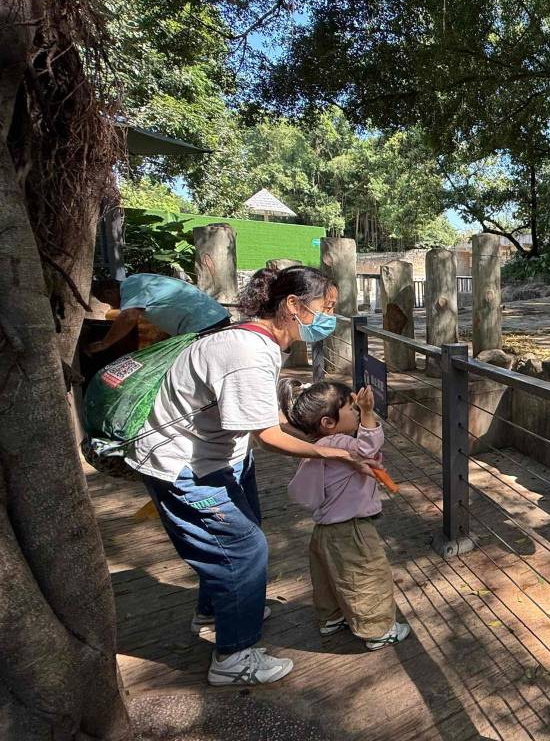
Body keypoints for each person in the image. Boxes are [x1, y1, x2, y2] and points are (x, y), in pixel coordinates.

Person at [126, 265, 376, 686]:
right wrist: (331, 454)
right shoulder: (248, 352)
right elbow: (268, 436)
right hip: (183, 463)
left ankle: (216, 610)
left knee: (235, 543)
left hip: (218, 456)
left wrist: (310, 437)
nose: (328, 318)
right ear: (293, 305)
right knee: (245, 550)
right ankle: (233, 656)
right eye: (325, 308)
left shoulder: (257, 341)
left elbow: (267, 413)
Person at [281, 379, 411, 651]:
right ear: (328, 422)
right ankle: (378, 631)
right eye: (351, 409)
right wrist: (367, 413)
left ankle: (331, 618)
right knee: (365, 577)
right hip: (351, 529)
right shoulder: (339, 443)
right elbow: (368, 447)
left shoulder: (317, 448)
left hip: (325, 529)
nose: (355, 412)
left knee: (328, 576)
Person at [88, 274, 231, 355]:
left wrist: (104, 343)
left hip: (205, 325)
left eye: (107, 301)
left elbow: (128, 317)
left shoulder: (130, 286)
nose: (112, 306)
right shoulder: (139, 282)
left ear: (109, 292)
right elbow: (168, 307)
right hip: (213, 320)